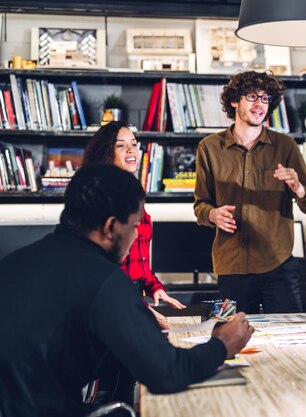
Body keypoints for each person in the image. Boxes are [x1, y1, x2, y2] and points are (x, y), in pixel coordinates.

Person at [0, 165, 254, 417]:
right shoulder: (104, 279)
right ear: (111, 227)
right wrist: (222, 344)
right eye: (134, 226)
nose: (136, 235)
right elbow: (166, 373)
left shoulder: (14, 263)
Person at [194, 70, 306, 314]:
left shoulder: (285, 145)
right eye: (252, 97)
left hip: (278, 264)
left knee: (290, 338)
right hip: (231, 266)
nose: (260, 104)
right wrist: (212, 215)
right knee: (231, 339)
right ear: (234, 101)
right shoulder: (209, 147)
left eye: (265, 98)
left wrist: (298, 188)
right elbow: (200, 205)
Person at [83, 121, 186, 330]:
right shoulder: (102, 197)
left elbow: (139, 260)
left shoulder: (131, 191)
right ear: (106, 152)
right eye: (121, 145)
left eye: (134, 144)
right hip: (110, 304)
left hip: (131, 299)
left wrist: (154, 287)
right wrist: (139, 309)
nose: (131, 150)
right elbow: (106, 273)